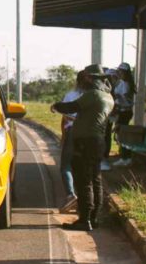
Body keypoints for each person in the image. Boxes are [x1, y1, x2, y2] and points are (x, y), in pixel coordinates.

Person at [52, 64, 114, 231]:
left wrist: (56, 106)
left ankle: (84, 220)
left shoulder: (93, 95)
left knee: (83, 181)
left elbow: (71, 107)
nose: (84, 80)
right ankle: (93, 218)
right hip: (98, 142)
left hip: (85, 142)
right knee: (95, 179)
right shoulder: (108, 96)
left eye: (87, 77)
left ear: (93, 78)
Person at [58, 71, 86, 212]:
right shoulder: (95, 96)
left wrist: (63, 136)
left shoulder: (70, 95)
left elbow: (65, 117)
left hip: (72, 133)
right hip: (89, 135)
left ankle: (70, 195)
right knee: (83, 167)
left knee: (66, 166)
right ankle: (83, 201)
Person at [111, 62, 136, 167]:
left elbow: (125, 99)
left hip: (125, 112)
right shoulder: (121, 82)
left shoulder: (127, 84)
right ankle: (123, 156)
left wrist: (116, 97)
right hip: (120, 111)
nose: (119, 72)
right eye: (119, 70)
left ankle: (126, 157)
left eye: (121, 71)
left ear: (125, 72)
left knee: (122, 134)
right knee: (120, 135)